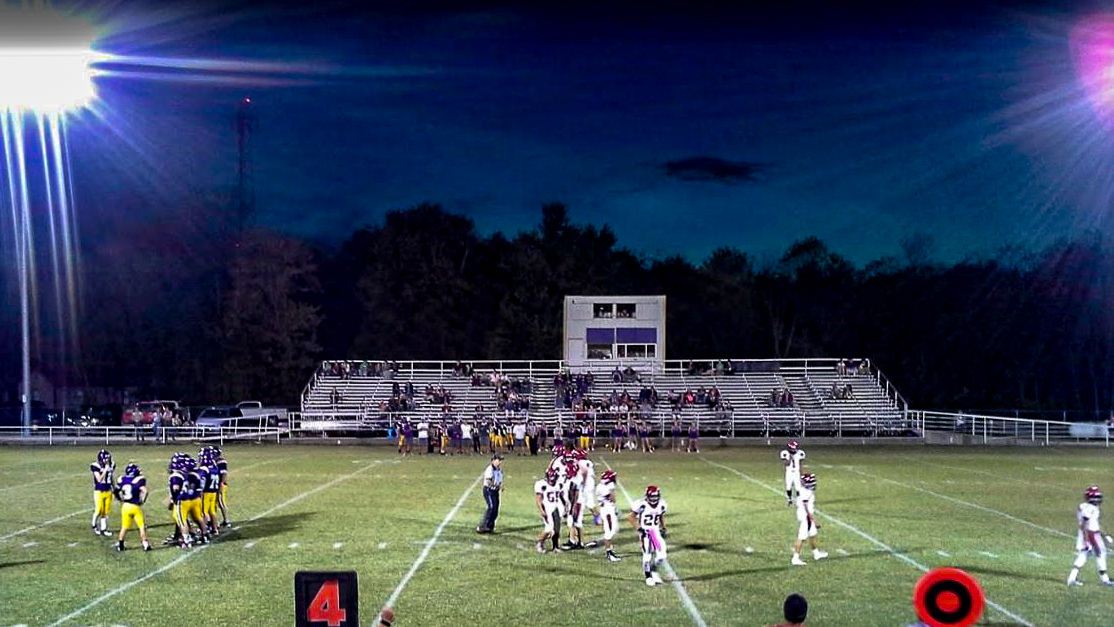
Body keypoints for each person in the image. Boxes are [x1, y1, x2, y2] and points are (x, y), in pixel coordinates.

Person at [1067, 485, 1114, 586]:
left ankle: (1072, 578)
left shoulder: (1085, 506)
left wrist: (1104, 535)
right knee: (1100, 554)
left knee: (1083, 556)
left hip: (1089, 534)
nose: (1098, 499)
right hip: (1090, 534)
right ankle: (1105, 580)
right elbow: (1085, 525)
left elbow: (1094, 523)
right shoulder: (1089, 509)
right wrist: (1088, 540)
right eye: (1096, 497)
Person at [629, 485, 668, 586]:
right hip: (646, 532)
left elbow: (661, 516)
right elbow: (630, 517)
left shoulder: (662, 504)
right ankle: (648, 576)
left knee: (661, 555)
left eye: (655, 497)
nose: (654, 499)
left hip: (655, 532)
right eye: (652, 497)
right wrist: (639, 528)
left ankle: (653, 570)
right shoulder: (641, 504)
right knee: (647, 554)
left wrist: (664, 528)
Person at [114, 462, 152, 551]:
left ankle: (120, 545)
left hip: (125, 506)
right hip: (135, 506)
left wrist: (120, 499)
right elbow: (145, 491)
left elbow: (115, 491)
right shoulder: (138, 480)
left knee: (124, 527)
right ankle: (145, 544)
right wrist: (142, 500)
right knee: (141, 526)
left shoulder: (122, 479)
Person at [791, 473, 827, 565]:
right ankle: (795, 558)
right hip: (806, 517)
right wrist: (813, 520)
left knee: (812, 535)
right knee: (801, 537)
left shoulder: (803, 490)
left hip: (804, 515)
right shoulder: (807, 492)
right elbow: (806, 506)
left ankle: (816, 554)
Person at [592, 470, 622, 562]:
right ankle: (609, 553)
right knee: (609, 532)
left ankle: (599, 542)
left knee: (615, 529)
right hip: (607, 511)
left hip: (608, 509)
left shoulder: (602, 486)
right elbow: (613, 499)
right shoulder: (604, 488)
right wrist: (612, 489)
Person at [535, 468, 564, 552]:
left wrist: (565, 506)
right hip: (547, 508)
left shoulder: (558, 484)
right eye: (550, 479)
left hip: (556, 507)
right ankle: (539, 543)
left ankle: (555, 547)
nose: (552, 481)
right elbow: (539, 500)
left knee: (557, 529)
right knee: (549, 528)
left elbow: (560, 496)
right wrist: (542, 510)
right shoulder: (542, 485)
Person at [90, 449, 115, 536]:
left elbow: (111, 478)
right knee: (99, 510)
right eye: (105, 459)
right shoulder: (96, 466)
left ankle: (104, 529)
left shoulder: (112, 464)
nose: (107, 460)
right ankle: (94, 526)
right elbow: (99, 479)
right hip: (99, 491)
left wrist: (114, 488)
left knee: (105, 511)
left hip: (108, 490)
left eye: (108, 458)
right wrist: (105, 470)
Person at [477, 454, 504, 534]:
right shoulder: (490, 469)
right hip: (489, 490)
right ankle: (482, 526)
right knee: (491, 507)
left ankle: (490, 526)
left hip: (495, 491)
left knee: (495, 509)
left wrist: (499, 486)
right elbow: (488, 482)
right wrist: (497, 486)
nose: (500, 462)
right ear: (493, 460)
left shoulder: (499, 470)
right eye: (498, 460)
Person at [781, 440, 806, 506]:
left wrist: (802, 473)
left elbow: (800, 464)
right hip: (789, 472)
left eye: (795, 448)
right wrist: (789, 458)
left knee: (798, 487)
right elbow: (786, 464)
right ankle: (789, 500)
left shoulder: (800, 453)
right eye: (792, 448)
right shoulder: (785, 453)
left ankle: (798, 500)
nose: (794, 450)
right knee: (788, 487)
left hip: (796, 472)